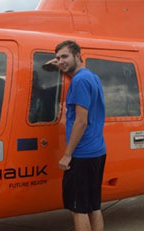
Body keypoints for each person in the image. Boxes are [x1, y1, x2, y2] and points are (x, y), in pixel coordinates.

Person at [54, 40, 107, 231]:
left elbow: (81, 121)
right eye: (58, 58)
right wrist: (61, 66)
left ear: (78, 55)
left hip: (82, 155)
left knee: (79, 209)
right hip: (97, 151)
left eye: (65, 56)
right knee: (94, 206)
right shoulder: (92, 77)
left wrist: (68, 154)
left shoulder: (79, 81)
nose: (60, 61)